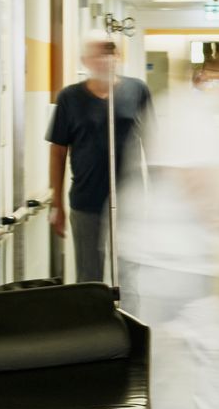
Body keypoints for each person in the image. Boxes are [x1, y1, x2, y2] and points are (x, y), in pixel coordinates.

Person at [119, 58, 219, 409]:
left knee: (163, 351)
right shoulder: (192, 115)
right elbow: (194, 180)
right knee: (213, 347)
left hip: (159, 253)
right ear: (212, 80)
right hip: (182, 257)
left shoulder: (172, 106)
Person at [45, 35, 149, 286]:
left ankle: (126, 324)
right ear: (85, 61)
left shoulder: (137, 90)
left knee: (127, 276)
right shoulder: (69, 98)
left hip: (128, 199)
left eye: (110, 53)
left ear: (118, 56)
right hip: (86, 200)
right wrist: (56, 203)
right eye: (99, 54)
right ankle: (94, 324)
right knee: (89, 278)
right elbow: (58, 152)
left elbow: (152, 142)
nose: (106, 59)